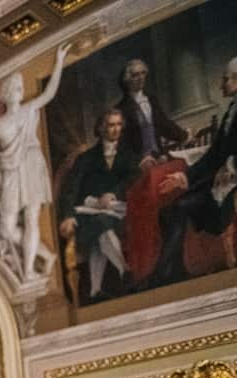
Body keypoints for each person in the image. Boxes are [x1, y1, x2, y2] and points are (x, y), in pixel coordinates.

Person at [0, 43, 71, 278]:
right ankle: (44, 255)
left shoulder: (29, 109)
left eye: (20, 87)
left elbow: (49, 94)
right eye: (16, 88)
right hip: (10, 172)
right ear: (8, 93)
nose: (20, 91)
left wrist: (60, 61)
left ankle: (29, 270)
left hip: (31, 162)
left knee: (32, 217)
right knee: (5, 230)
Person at [153, 58, 237, 286]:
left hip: (230, 184)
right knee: (167, 210)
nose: (221, 85)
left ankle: (161, 276)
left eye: (226, 79)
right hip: (217, 179)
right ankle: (175, 270)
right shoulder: (232, 109)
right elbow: (212, 156)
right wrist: (184, 177)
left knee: (178, 208)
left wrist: (231, 167)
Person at [58, 108, 138, 300]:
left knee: (101, 232)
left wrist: (113, 193)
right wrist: (68, 215)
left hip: (117, 211)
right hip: (86, 212)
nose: (116, 129)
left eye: (119, 125)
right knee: (101, 223)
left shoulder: (127, 155)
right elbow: (70, 189)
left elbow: (134, 178)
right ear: (101, 128)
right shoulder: (85, 158)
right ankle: (125, 271)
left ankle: (95, 290)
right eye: (111, 125)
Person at [115, 59, 187, 165]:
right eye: (135, 75)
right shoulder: (121, 109)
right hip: (139, 163)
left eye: (143, 73)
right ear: (127, 79)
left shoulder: (151, 99)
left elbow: (164, 124)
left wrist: (185, 136)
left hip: (159, 156)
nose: (141, 78)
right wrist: (138, 161)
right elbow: (122, 144)